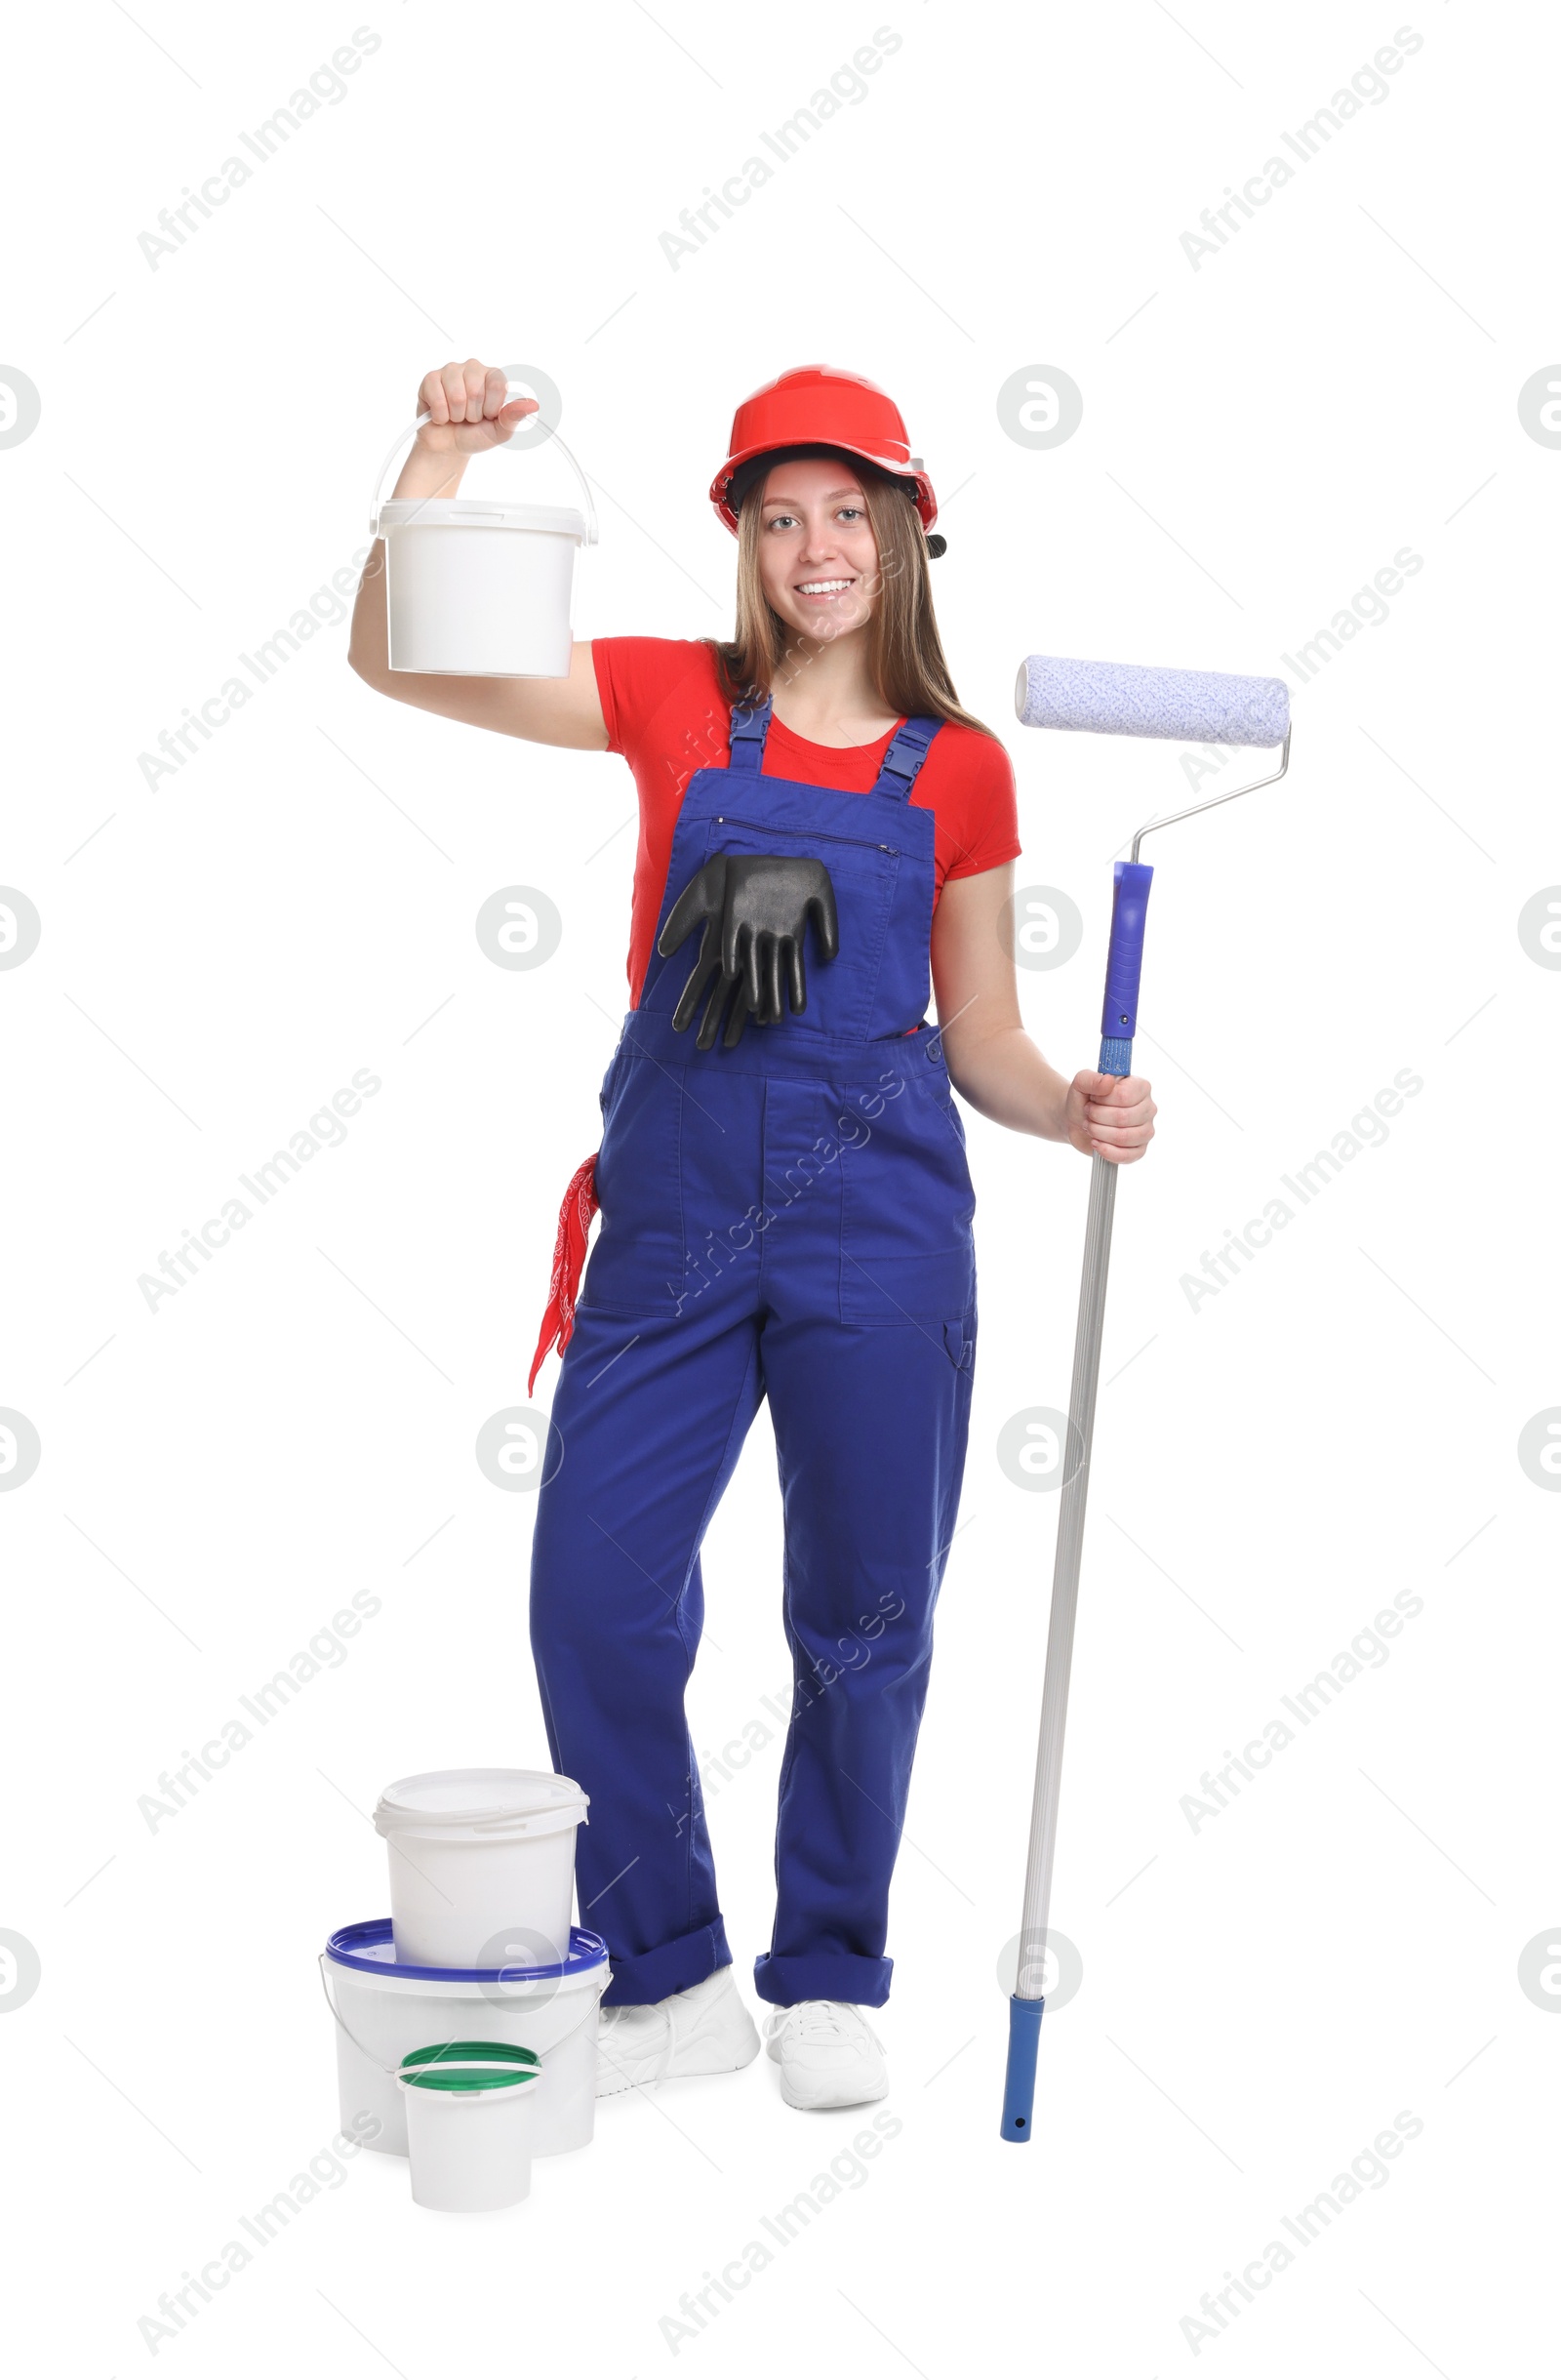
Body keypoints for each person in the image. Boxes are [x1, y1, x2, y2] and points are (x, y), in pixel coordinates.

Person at [349, 358, 1156, 2112]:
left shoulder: (965, 773)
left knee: (865, 1616)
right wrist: (439, 459)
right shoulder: (667, 697)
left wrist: (1071, 1108)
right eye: (779, 516)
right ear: (744, 541)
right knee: (593, 1601)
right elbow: (395, 654)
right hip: (676, 1222)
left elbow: (988, 1035)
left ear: (906, 530)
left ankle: (831, 1972)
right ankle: (672, 1975)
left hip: (881, 1231)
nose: (814, 546)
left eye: (844, 512)